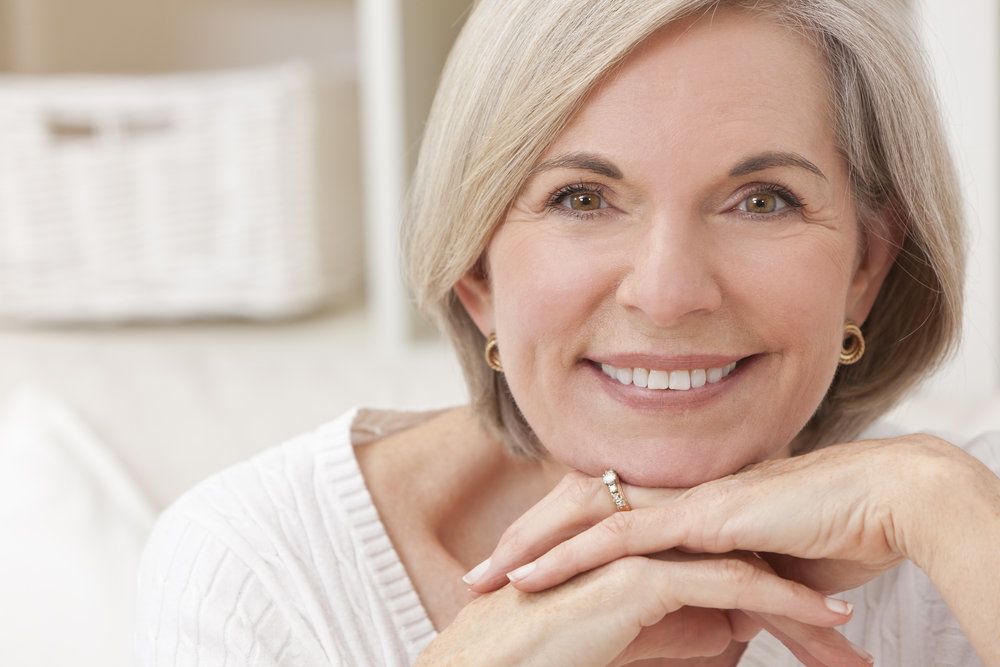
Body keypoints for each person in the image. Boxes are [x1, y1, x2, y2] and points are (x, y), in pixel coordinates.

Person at [135, 0, 1000, 665]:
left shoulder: (957, 537)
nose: (667, 294)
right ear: (476, 272)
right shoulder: (260, 571)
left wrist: (949, 504)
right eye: (582, 199)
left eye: (762, 200)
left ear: (865, 267)